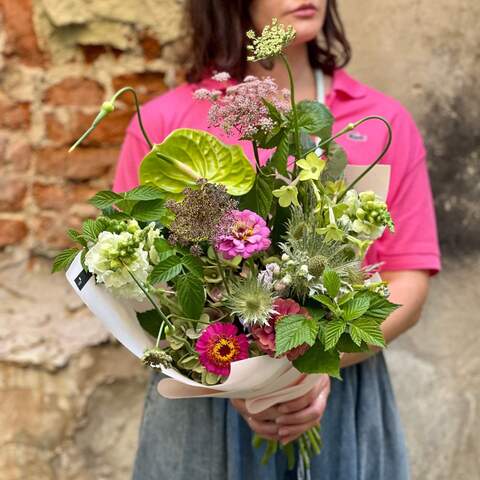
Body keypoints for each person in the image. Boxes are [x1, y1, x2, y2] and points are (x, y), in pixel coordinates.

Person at [113, 1, 441, 478]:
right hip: (204, 401)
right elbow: (134, 288)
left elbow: (407, 281)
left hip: (338, 387)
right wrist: (237, 382)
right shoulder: (169, 123)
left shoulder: (379, 121)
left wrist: (301, 375)